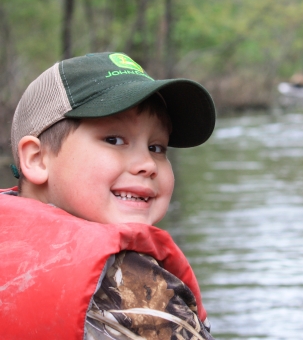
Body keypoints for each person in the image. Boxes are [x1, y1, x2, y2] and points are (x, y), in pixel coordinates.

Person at [1, 52, 216, 339]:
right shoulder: (139, 292)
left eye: (157, 147)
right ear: (38, 159)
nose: (148, 165)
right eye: (114, 140)